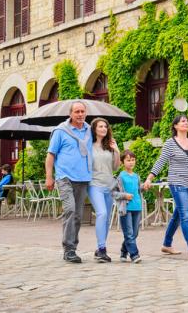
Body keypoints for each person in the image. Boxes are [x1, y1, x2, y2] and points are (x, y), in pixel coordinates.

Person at [143, 114, 188, 260]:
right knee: (186, 215)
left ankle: (167, 244)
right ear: (175, 126)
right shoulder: (170, 143)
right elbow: (161, 161)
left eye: (187, 121)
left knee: (178, 215)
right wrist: (150, 178)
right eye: (182, 121)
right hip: (177, 182)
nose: (186, 123)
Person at [45, 101, 93, 264]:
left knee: (78, 216)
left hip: (83, 178)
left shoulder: (89, 131)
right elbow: (51, 155)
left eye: (82, 111)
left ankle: (73, 247)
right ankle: (68, 249)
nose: (80, 114)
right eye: (77, 112)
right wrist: (49, 177)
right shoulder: (60, 131)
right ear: (70, 114)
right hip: (65, 177)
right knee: (70, 210)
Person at [88, 117, 121, 263]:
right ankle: (102, 249)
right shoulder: (88, 145)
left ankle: (99, 248)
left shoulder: (110, 146)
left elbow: (115, 167)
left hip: (109, 186)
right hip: (94, 185)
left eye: (105, 127)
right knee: (101, 213)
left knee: (107, 219)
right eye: (100, 126)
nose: (103, 129)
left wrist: (117, 151)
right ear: (94, 129)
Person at [116, 150, 143, 263]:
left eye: (133, 160)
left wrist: (143, 188)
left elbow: (137, 190)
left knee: (134, 233)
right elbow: (115, 194)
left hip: (137, 207)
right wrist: (125, 195)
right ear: (122, 162)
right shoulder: (120, 177)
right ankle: (134, 254)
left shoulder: (137, 176)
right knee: (129, 233)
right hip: (125, 209)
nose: (131, 162)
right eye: (128, 160)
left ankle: (123, 250)